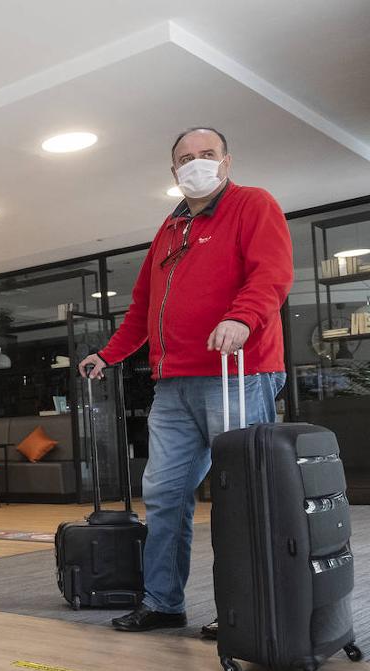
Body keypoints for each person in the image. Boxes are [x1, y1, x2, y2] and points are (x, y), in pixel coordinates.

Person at [79, 127, 292, 635]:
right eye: (185, 158)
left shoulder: (252, 204)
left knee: (240, 495)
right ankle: (163, 602)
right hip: (173, 384)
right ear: (174, 171)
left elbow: (272, 274)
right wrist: (108, 355)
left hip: (236, 374)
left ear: (226, 161)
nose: (196, 163)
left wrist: (241, 318)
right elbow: (143, 308)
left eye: (207, 154)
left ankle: (246, 610)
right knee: (165, 494)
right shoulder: (169, 230)